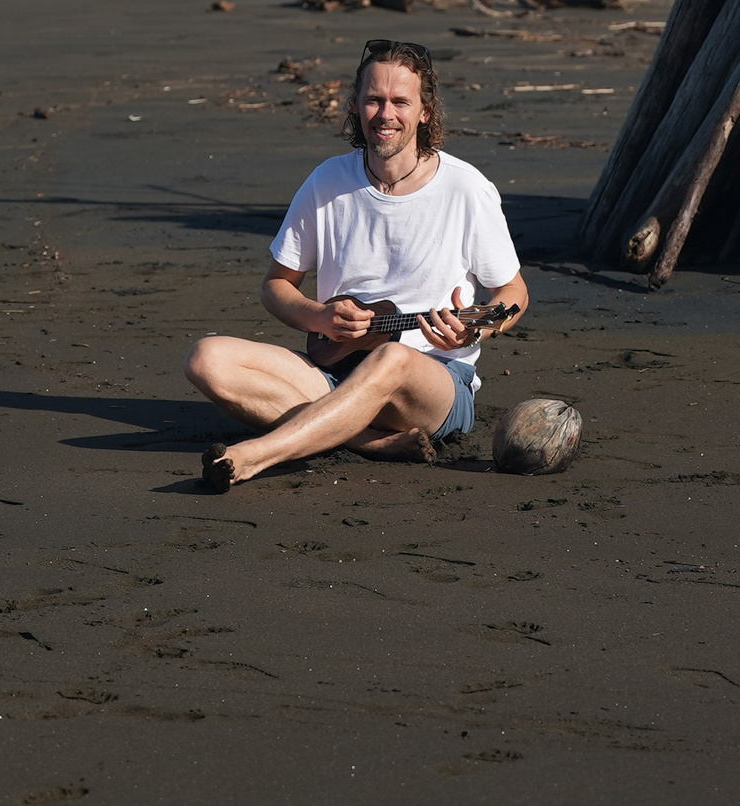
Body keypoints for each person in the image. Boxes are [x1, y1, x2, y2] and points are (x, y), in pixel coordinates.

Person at [183, 38, 528, 492]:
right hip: (333, 365)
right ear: (357, 105)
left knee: (391, 357)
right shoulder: (327, 181)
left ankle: (253, 456)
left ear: (425, 111)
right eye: (374, 100)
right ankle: (365, 439)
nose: (386, 115)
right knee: (206, 358)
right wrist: (319, 315)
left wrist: (477, 330)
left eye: (400, 101)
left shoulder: (466, 189)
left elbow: (514, 295)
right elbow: (275, 286)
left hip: (434, 382)